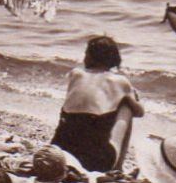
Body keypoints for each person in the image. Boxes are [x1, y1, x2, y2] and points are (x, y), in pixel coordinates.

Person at [52, 35, 144, 174]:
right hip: (98, 162)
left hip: (61, 155)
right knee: (126, 108)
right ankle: (118, 168)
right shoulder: (120, 81)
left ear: (89, 56)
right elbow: (140, 112)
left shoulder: (75, 74)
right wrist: (132, 98)